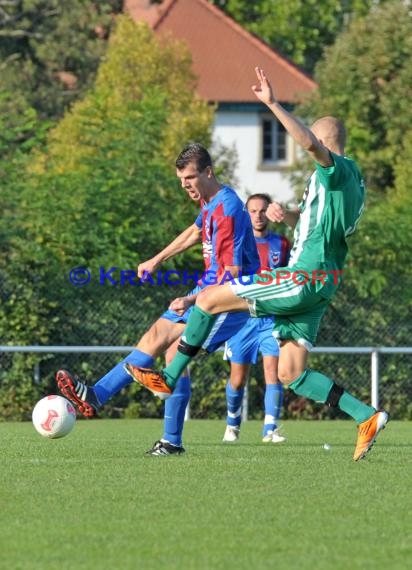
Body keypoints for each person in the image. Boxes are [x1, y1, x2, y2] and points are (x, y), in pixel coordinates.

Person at [127, 67, 389, 462]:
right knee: (291, 373)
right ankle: (365, 416)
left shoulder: (334, 169)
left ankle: (167, 376)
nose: (312, 149)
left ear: (325, 142)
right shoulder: (353, 183)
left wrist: (272, 103)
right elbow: (326, 225)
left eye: (317, 143)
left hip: (302, 276)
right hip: (323, 283)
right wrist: (294, 217)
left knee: (208, 301)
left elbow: (311, 143)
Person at [56, 142, 261, 456]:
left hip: (231, 299)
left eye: (190, 178)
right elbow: (193, 233)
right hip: (209, 290)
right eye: (181, 180)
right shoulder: (209, 202)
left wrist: (192, 301)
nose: (185, 185)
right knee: (157, 338)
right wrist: (156, 259)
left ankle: (166, 437)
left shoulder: (229, 208)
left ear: (208, 171)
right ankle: (99, 397)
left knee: (173, 354)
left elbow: (232, 273)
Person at [222, 193, 291, 444]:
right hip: (241, 319)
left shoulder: (281, 244)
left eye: (263, 210)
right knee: (237, 379)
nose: (258, 216)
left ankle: (270, 429)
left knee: (274, 373)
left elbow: (289, 277)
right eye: (253, 211)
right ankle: (232, 424)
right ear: (246, 213)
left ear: (269, 213)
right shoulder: (237, 243)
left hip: (270, 319)